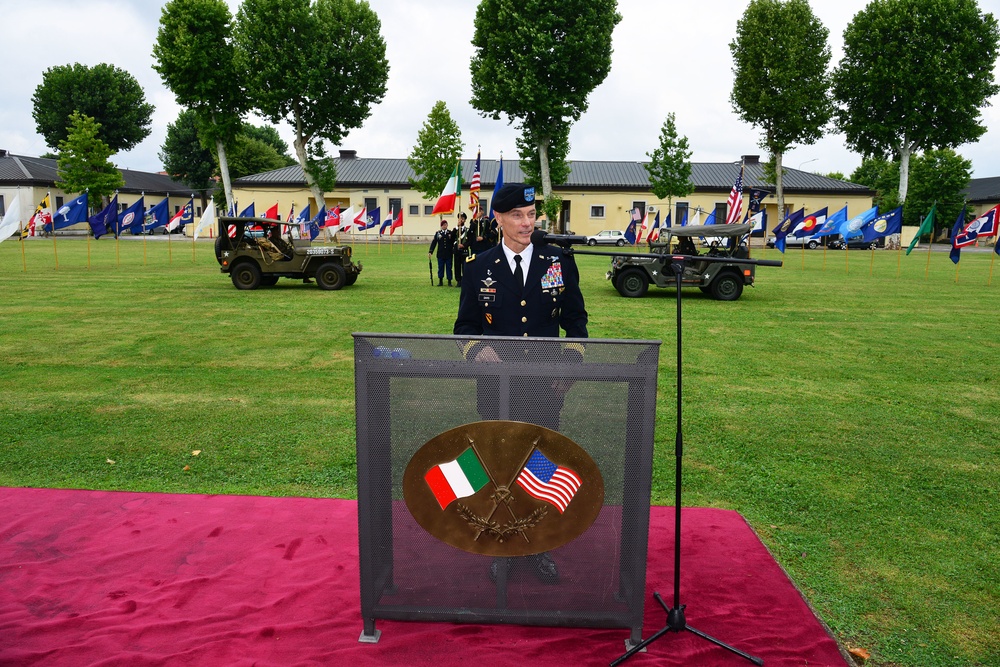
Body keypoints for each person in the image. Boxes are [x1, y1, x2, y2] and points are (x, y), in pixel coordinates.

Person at [454, 183, 588, 585]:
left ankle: (539, 543)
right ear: (498, 218)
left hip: (545, 388)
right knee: (500, 466)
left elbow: (576, 322)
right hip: (497, 388)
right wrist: (479, 353)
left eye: (532, 215)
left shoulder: (558, 262)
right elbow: (465, 327)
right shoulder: (479, 267)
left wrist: (568, 364)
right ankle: (502, 544)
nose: (527, 223)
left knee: (540, 467)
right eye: (518, 215)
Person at [428, 219, 455, 286]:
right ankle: (440, 281)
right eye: (443, 225)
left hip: (448, 253)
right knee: (440, 267)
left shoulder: (450, 233)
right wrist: (431, 251)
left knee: (449, 268)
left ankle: (449, 281)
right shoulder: (438, 233)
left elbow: (453, 242)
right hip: (441, 254)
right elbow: (434, 243)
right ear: (441, 226)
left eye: (445, 224)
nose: (444, 226)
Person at [453, 212, 469, 286]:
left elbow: (470, 241)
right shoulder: (455, 229)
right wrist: (457, 227)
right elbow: (451, 238)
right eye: (460, 218)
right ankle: (458, 280)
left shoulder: (467, 230)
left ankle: (464, 280)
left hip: (464, 251)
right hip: (457, 251)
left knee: (465, 266)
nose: (461, 220)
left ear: (465, 220)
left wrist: (464, 245)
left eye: (462, 219)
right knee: (457, 266)